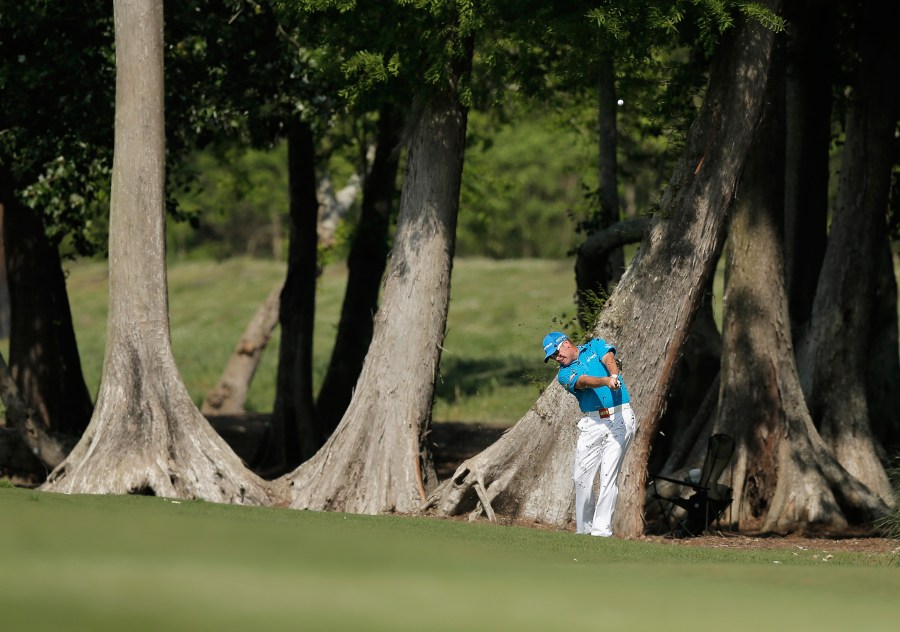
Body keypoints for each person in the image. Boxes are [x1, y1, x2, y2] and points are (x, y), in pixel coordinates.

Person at [541, 331, 636, 537]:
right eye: (553, 357)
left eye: (556, 353)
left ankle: (601, 531)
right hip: (592, 422)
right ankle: (584, 529)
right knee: (580, 477)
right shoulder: (563, 375)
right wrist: (605, 381)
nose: (557, 358)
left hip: (620, 417)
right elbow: (584, 381)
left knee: (608, 475)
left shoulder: (594, 346)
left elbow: (609, 358)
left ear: (566, 343)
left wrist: (614, 376)